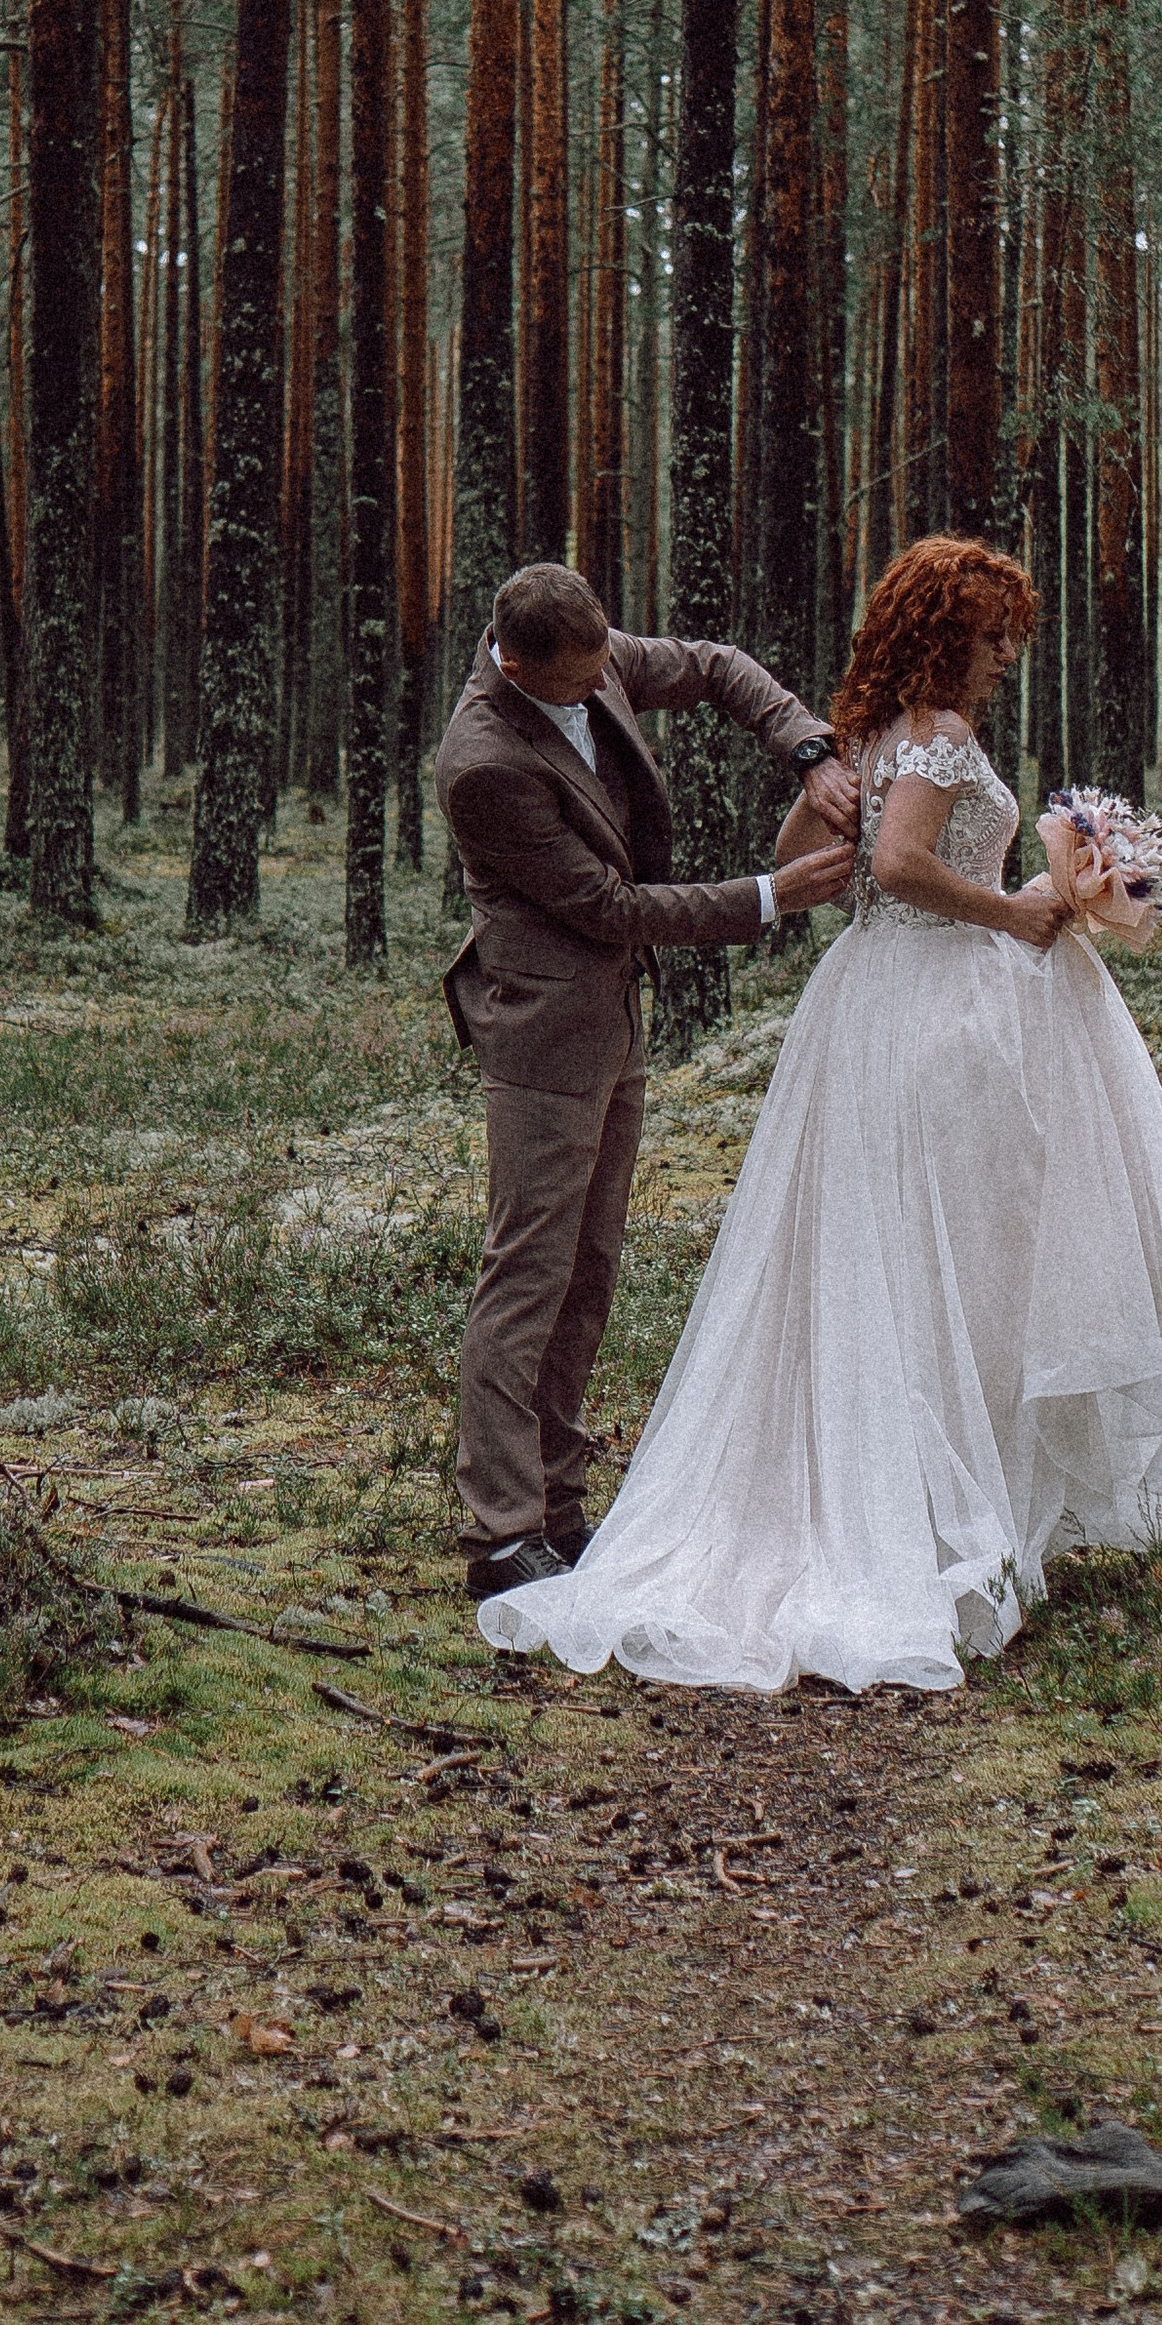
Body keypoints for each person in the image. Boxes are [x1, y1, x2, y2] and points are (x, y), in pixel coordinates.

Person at [477, 533, 1162, 1694]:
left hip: (867, 1003)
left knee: (896, 1256)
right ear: (941, 635)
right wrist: (1012, 914)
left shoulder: (865, 739)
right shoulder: (938, 739)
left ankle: (938, 1490)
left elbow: (802, 845)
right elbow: (901, 864)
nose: (1007, 654)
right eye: (991, 634)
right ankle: (924, 1510)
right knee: (947, 1257)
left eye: (1011, 633)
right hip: (934, 1010)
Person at [433, 563, 858, 1601]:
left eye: (603, 668)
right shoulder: (484, 763)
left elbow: (714, 667)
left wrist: (805, 745)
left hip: (614, 1021)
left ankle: (561, 1506)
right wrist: (771, 894)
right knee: (527, 1273)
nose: (597, 691)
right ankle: (500, 1533)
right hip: (540, 1038)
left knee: (592, 1266)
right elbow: (608, 907)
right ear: (517, 660)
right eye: (575, 685)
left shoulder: (592, 656)